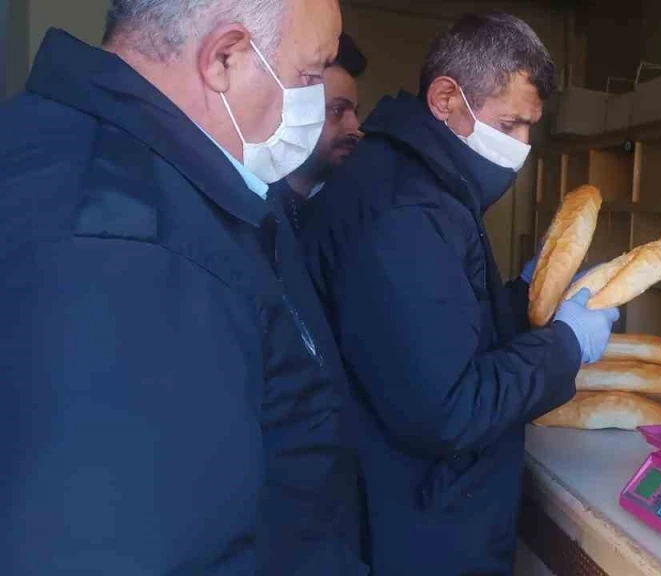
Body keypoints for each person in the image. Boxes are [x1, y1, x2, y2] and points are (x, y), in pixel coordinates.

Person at [0, 1, 365, 574]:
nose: (315, 103)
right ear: (224, 58)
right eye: (310, 76)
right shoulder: (124, 247)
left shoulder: (147, 176)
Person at [299, 12, 617, 575]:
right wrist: (566, 345)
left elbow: (442, 331)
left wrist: (520, 299)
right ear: (446, 99)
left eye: (530, 129)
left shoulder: (422, 185)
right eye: (512, 124)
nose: (522, 148)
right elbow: (447, 410)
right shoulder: (407, 210)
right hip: (417, 532)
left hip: (418, 514)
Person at [273, 33, 367, 232]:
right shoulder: (254, 197)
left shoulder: (352, 207)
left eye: (355, 112)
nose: (355, 127)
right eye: (338, 110)